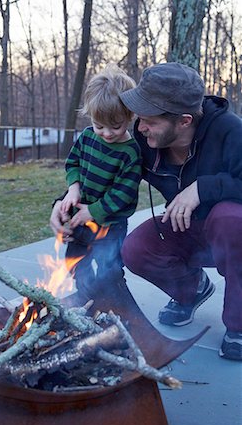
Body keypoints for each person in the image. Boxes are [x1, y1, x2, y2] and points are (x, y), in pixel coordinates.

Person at [118, 61, 242, 361]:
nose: (141, 126)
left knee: (230, 220)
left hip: (231, 231)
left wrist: (202, 187)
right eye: (140, 117)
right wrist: (72, 203)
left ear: (184, 121)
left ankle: (238, 325)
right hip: (186, 227)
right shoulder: (143, 138)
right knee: (136, 248)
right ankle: (192, 289)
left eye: (149, 120)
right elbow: (112, 173)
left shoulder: (230, 131)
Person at [54, 64, 142, 303]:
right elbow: (73, 164)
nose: (107, 133)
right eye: (99, 126)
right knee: (75, 261)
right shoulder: (86, 137)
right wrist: (73, 189)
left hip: (110, 224)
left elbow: (123, 193)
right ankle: (87, 297)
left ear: (129, 117)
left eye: (116, 126)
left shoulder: (130, 153)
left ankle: (114, 302)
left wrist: (92, 212)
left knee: (109, 267)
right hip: (80, 217)